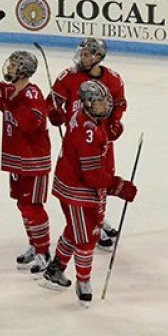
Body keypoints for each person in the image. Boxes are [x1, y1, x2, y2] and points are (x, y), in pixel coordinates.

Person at [39, 80, 137, 307]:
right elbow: (91, 174)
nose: (106, 105)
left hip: (70, 186)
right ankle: (84, 281)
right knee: (87, 238)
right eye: (100, 102)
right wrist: (118, 186)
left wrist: (110, 132)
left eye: (106, 100)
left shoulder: (88, 119)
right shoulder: (87, 130)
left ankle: (55, 269)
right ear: (88, 103)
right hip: (78, 192)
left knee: (75, 230)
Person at [0, 51, 53, 274]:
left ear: (23, 70)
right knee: (23, 204)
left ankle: (44, 251)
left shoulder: (32, 94)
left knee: (32, 206)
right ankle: (34, 245)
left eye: (12, 66)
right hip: (18, 159)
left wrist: (9, 96)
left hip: (33, 161)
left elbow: (30, 123)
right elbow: (6, 104)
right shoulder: (16, 93)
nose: (8, 69)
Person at [47, 38, 126, 252]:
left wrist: (116, 123)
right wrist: (54, 113)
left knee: (101, 181)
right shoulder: (68, 77)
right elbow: (52, 102)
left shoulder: (114, 79)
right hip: (76, 142)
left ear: (98, 57)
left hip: (102, 141)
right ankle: (92, 226)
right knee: (82, 183)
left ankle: (97, 222)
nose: (80, 57)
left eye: (85, 54)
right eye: (80, 53)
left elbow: (119, 104)